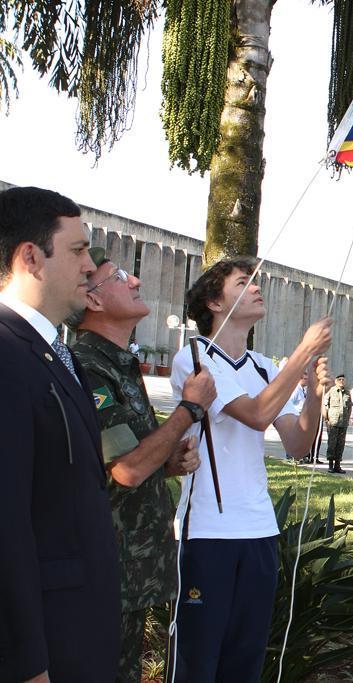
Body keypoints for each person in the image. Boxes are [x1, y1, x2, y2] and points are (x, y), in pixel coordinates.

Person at [170, 256, 332, 681]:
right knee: (199, 659)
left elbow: (297, 444)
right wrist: (304, 350)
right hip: (208, 532)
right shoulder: (193, 357)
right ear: (215, 303)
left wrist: (313, 396)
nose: (257, 288)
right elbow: (257, 415)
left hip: (259, 530)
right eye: (244, 283)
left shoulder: (263, 365)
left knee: (245, 660)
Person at [69, 247, 218, 682]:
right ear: (93, 300)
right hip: (105, 574)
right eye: (119, 276)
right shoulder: (88, 366)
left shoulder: (119, 363)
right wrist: (189, 410)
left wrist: (168, 460)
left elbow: (128, 459)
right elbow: (127, 470)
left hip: (130, 573)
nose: (135, 281)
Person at [0, 186, 121, 681]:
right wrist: (27, 664)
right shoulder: (6, 354)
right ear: (31, 257)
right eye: (77, 250)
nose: (91, 266)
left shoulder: (55, 352)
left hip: (78, 628)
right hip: (45, 646)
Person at [323, 373, 352, 473]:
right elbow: (325, 405)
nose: (341, 381)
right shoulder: (331, 391)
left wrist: (348, 418)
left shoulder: (348, 392)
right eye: (339, 379)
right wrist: (326, 419)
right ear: (335, 381)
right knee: (332, 444)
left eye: (343, 379)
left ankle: (337, 465)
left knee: (341, 445)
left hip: (343, 423)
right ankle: (330, 465)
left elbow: (350, 406)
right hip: (333, 422)